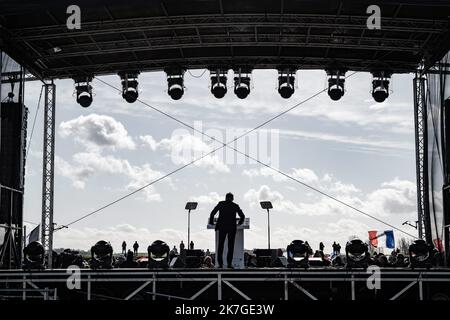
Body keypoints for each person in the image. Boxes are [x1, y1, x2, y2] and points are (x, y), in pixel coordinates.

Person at [209, 192, 245, 268]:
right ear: (232, 198)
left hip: (222, 227)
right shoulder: (235, 205)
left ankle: (220, 264)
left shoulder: (221, 204)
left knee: (220, 246)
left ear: (225, 198)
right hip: (232, 227)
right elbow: (242, 216)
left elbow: (212, 213)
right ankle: (229, 264)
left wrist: (212, 222)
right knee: (230, 246)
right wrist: (239, 223)